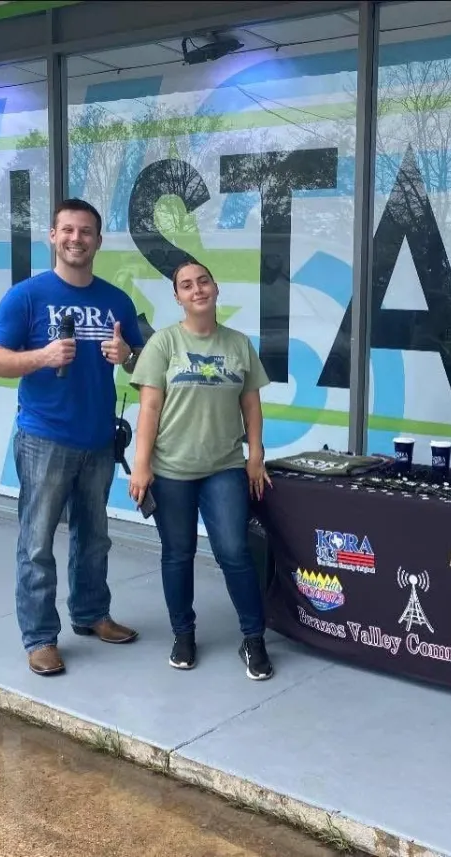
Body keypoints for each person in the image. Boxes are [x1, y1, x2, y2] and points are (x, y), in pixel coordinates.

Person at [0, 198, 146, 676]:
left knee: (95, 538)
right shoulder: (27, 297)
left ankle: (92, 614)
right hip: (44, 439)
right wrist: (43, 356)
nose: (77, 239)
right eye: (68, 231)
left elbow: (142, 362)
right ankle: (39, 637)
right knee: (37, 543)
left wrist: (128, 356)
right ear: (52, 237)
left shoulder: (116, 300)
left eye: (86, 232)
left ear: (98, 240)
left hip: (97, 440)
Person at [127, 261, 275, 680]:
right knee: (178, 554)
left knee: (234, 552)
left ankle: (253, 639)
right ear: (177, 297)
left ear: (215, 288)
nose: (197, 290)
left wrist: (255, 454)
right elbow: (149, 408)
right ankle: (183, 635)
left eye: (203, 281)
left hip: (224, 466)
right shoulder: (163, 345)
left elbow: (251, 405)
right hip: (171, 469)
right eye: (186, 285)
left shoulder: (238, 344)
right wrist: (141, 467)